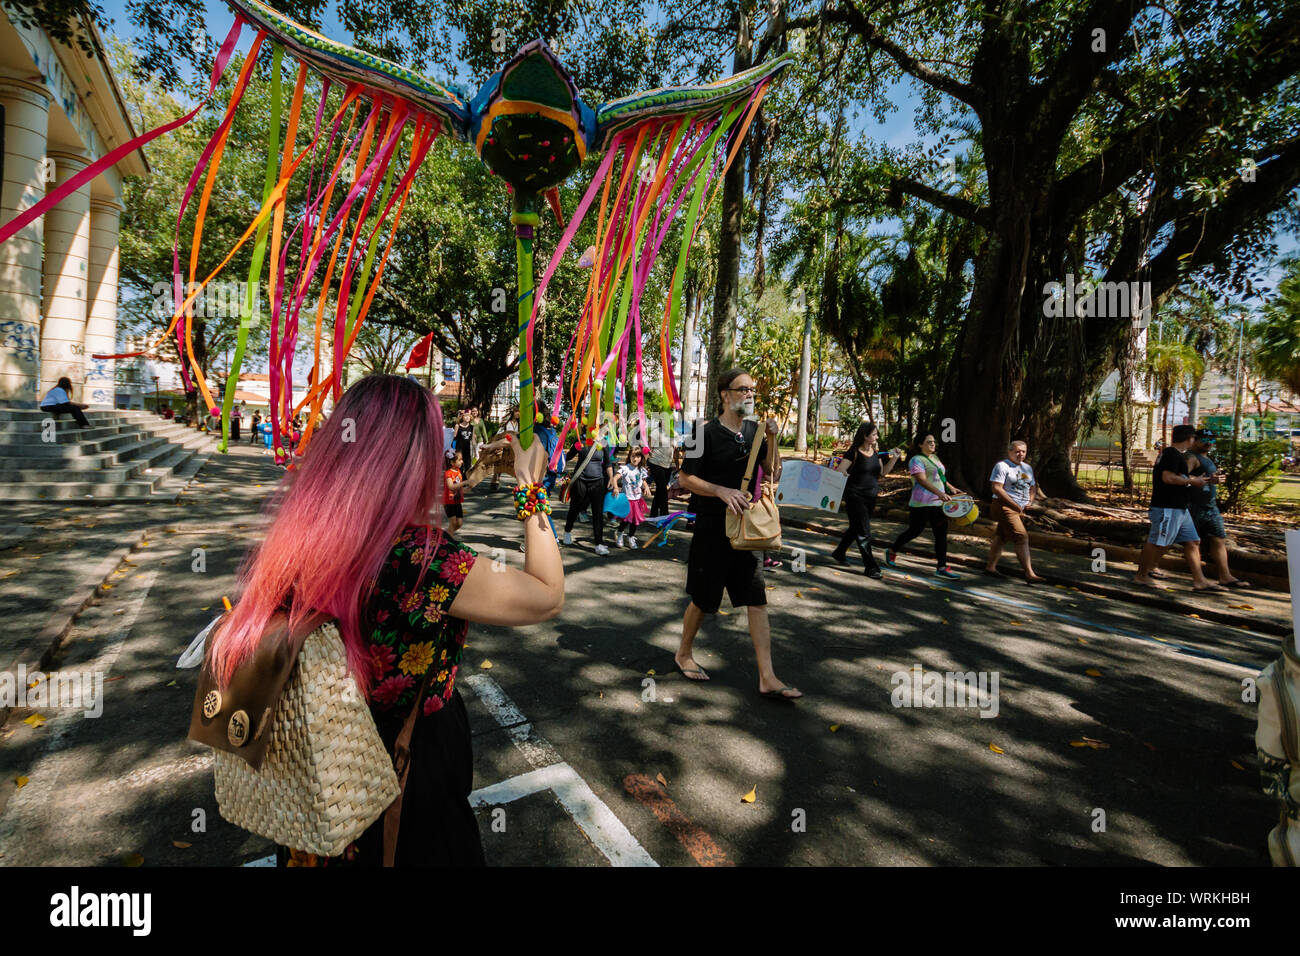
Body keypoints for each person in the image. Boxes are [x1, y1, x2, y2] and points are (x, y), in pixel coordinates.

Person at [205, 373, 563, 866]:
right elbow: (546, 594)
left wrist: (479, 474)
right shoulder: (422, 558)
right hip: (410, 756)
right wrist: (530, 490)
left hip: (325, 756)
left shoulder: (303, 532)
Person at [675, 368, 801, 700]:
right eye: (742, 389)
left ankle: (767, 676)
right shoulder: (703, 434)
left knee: (756, 600)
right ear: (724, 394)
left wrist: (773, 440)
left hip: (746, 530)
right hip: (712, 528)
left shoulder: (755, 431)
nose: (749, 394)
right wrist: (720, 490)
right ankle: (684, 653)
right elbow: (685, 479)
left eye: (752, 390)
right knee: (703, 600)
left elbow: (773, 472)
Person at [1134, 423, 1225, 591]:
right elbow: (1168, 478)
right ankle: (1141, 576)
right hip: (1167, 507)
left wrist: (1204, 480)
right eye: (1194, 438)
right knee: (1156, 542)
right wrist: (1192, 481)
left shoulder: (1176, 455)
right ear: (1190, 438)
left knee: (1192, 541)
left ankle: (1199, 580)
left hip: (1180, 508)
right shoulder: (1171, 454)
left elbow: (1181, 476)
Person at [885, 433, 966, 580]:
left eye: (933, 442)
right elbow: (921, 480)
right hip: (921, 503)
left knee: (941, 534)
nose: (933, 444)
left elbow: (940, 478)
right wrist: (939, 493)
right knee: (914, 531)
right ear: (920, 444)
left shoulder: (934, 458)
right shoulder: (916, 460)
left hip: (938, 504)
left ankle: (941, 567)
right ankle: (892, 550)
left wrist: (951, 489)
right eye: (929, 442)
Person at [830, 422, 903, 578]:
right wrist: (843, 472)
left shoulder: (876, 453)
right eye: (874, 434)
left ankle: (839, 552)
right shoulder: (853, 452)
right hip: (854, 495)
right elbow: (841, 468)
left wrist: (895, 459)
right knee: (864, 531)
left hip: (871, 496)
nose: (877, 437)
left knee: (856, 527)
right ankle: (871, 567)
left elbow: (883, 473)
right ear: (865, 436)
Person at [1185, 429, 1250, 588]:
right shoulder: (1191, 457)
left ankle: (1225, 576)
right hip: (1193, 506)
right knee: (1190, 542)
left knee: (1218, 539)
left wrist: (1216, 479)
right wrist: (1207, 479)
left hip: (1210, 507)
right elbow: (1180, 477)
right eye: (1205, 439)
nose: (1208, 443)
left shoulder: (1207, 458)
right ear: (1194, 439)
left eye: (1212, 440)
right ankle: (1151, 568)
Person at [984, 440, 1048, 583]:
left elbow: (1032, 487)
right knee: (1021, 537)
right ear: (1010, 451)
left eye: (1023, 451)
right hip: (1003, 506)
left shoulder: (1027, 468)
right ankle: (1029, 574)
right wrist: (1014, 504)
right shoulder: (1002, 466)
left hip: (1019, 508)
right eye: (1017, 451)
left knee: (1002, 536)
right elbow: (997, 488)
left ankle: (990, 567)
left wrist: (1029, 501)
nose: (1020, 454)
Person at [562, 432, 613, 554]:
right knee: (575, 507)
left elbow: (608, 463)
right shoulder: (580, 440)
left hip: (598, 481)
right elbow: (567, 456)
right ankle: (567, 531)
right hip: (580, 480)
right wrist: (554, 461)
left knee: (598, 512)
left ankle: (599, 543)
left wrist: (611, 478)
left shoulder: (603, 442)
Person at [614, 447, 652, 548]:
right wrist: (616, 488)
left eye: (638, 456)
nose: (635, 459)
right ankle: (620, 533)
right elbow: (615, 478)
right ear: (629, 457)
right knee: (626, 520)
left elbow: (643, 480)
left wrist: (646, 487)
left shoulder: (641, 469)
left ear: (641, 458)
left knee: (636, 520)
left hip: (637, 499)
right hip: (627, 499)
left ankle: (631, 536)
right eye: (633, 456)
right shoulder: (625, 468)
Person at [647, 432, 676, 518]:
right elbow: (648, 447)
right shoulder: (656, 432)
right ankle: (664, 516)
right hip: (655, 463)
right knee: (663, 490)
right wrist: (646, 463)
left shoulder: (675, 434)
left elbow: (674, 451)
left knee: (660, 491)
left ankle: (653, 516)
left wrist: (677, 466)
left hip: (668, 466)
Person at [444, 448, 465, 535]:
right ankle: (449, 539)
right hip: (449, 501)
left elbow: (460, 487)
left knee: (459, 523)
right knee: (453, 523)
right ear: (452, 463)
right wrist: (465, 482)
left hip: (457, 501)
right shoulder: (448, 473)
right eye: (459, 460)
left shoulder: (459, 471)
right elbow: (451, 486)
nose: (462, 461)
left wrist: (466, 489)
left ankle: (446, 535)